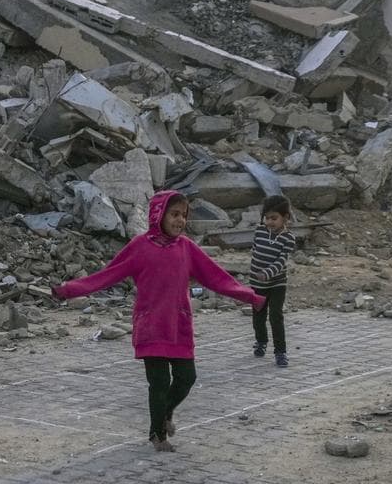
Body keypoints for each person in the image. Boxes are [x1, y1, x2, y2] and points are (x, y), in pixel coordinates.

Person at [51, 190, 265, 452]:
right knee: (159, 383)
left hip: (179, 326)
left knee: (186, 377)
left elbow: (217, 278)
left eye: (184, 216)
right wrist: (68, 289)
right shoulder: (140, 247)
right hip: (151, 326)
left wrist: (250, 296)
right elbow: (106, 276)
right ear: (159, 215)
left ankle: (166, 413)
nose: (180, 221)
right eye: (174, 214)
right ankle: (157, 435)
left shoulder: (187, 248)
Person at [248, 195, 296, 367]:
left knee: (276, 316)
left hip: (277, 283)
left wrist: (267, 273)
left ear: (286, 218)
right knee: (258, 316)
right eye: (267, 218)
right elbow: (255, 251)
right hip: (257, 283)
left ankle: (280, 352)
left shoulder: (288, 238)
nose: (269, 222)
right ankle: (261, 341)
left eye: (274, 218)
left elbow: (281, 260)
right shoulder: (259, 231)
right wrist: (254, 275)